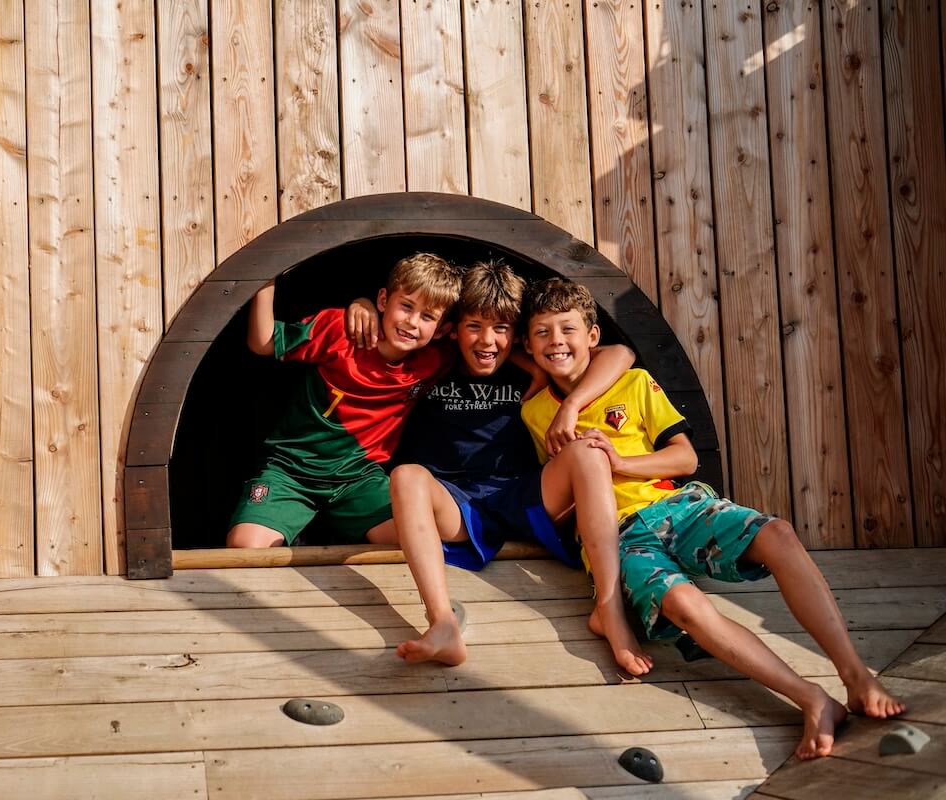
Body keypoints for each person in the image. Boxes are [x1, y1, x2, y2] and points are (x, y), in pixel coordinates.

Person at [519, 277, 905, 760]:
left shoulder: (633, 383)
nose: (556, 341)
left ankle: (855, 675)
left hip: (677, 506)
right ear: (528, 344)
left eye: (567, 329)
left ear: (592, 337)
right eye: (542, 333)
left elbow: (684, 460)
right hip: (618, 537)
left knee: (778, 533)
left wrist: (622, 463)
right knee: (687, 607)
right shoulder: (534, 411)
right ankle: (812, 698)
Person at [351, 262, 648, 674]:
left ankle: (610, 610)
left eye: (502, 328)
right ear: (453, 328)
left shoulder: (530, 367)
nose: (487, 340)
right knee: (405, 478)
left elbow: (621, 352)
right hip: (454, 503)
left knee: (588, 452)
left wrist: (572, 404)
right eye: (474, 326)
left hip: (521, 494)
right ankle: (442, 623)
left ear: (517, 334)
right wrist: (362, 303)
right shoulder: (431, 361)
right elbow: (384, 331)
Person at [225, 253, 461, 549]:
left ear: (441, 330)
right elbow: (262, 342)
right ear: (384, 300)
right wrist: (266, 277)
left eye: (427, 317)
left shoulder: (435, 359)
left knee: (415, 543)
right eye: (406, 306)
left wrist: (532, 369)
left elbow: (486, 342)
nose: (413, 322)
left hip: (358, 480)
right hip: (291, 472)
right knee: (245, 548)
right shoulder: (342, 331)